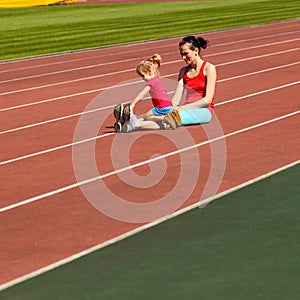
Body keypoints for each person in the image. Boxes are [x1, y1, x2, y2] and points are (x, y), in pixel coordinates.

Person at [114, 35, 217, 131]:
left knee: (172, 119)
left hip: (204, 111)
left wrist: (182, 108)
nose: (183, 58)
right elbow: (177, 97)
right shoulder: (183, 71)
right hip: (184, 109)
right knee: (162, 116)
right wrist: (169, 108)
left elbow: (207, 100)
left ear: (196, 51)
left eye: (186, 54)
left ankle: (135, 123)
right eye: (181, 54)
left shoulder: (209, 68)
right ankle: (127, 124)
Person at [114, 54, 175, 132]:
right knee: (144, 118)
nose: (142, 78)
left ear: (149, 72)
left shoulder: (152, 82)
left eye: (143, 75)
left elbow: (142, 94)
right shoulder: (157, 80)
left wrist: (133, 103)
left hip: (162, 107)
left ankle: (166, 118)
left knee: (147, 116)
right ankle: (127, 123)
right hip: (167, 106)